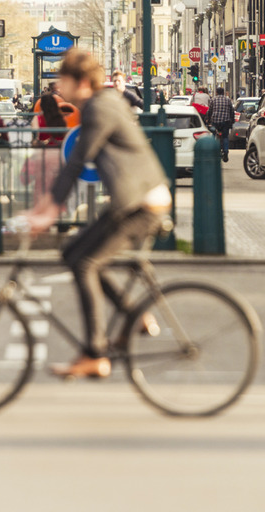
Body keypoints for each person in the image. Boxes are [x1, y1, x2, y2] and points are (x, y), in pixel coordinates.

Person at [21, 48, 170, 381]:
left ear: (81, 82)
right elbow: (75, 163)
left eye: (64, 79)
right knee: (74, 252)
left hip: (142, 203)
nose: (59, 85)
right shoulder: (100, 104)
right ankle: (134, 317)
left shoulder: (100, 109)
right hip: (132, 200)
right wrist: (44, 209)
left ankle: (94, 353)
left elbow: (76, 161)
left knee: (86, 262)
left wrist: (46, 213)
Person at [206, 86, 236, 162]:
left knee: (213, 134)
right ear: (223, 92)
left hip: (215, 121)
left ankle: (213, 150)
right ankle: (225, 151)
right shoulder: (228, 100)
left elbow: (210, 111)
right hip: (225, 121)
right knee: (225, 136)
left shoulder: (213, 99)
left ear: (216, 92)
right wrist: (232, 120)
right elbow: (231, 111)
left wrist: (208, 119)